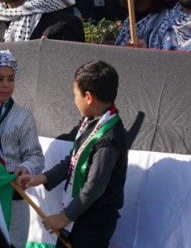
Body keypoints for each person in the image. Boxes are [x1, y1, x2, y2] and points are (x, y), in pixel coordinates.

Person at [18, 61, 127, 248]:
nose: (75, 100)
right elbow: (73, 161)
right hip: (78, 217)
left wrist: (64, 217)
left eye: (76, 95)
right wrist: (41, 179)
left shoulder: (109, 139)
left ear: (88, 97)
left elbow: (95, 187)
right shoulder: (91, 122)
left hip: (93, 225)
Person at [0, 50, 43, 247]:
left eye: (11, 78)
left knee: (12, 243)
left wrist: (26, 168)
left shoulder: (23, 117)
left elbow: (35, 155)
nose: (6, 84)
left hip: (13, 193)